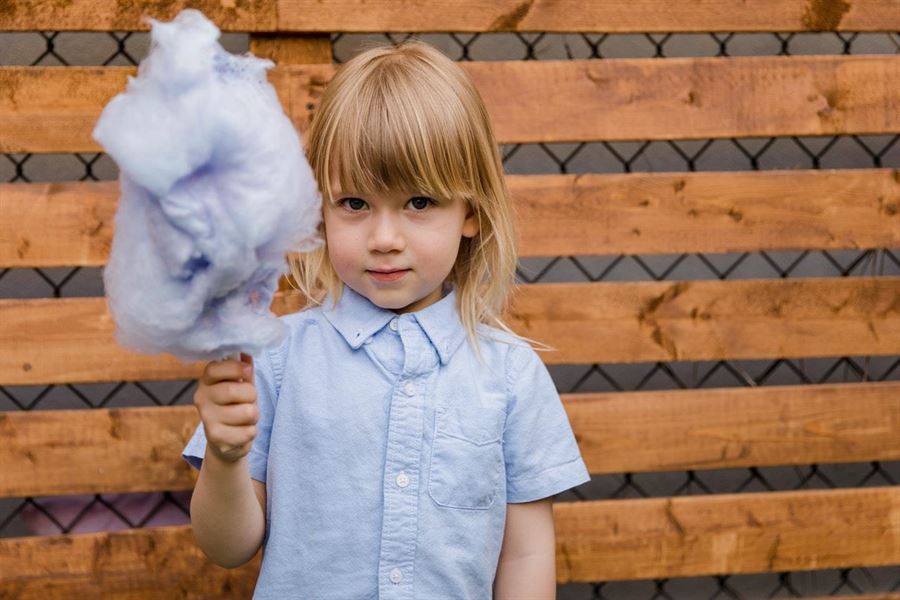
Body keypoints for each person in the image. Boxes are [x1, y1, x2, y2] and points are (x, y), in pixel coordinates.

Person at [182, 38, 590, 600]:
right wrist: (225, 459)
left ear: (470, 212)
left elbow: (525, 553)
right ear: (319, 211)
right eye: (354, 204)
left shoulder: (512, 376)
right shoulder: (274, 359)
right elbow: (228, 547)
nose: (384, 239)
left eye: (419, 202)